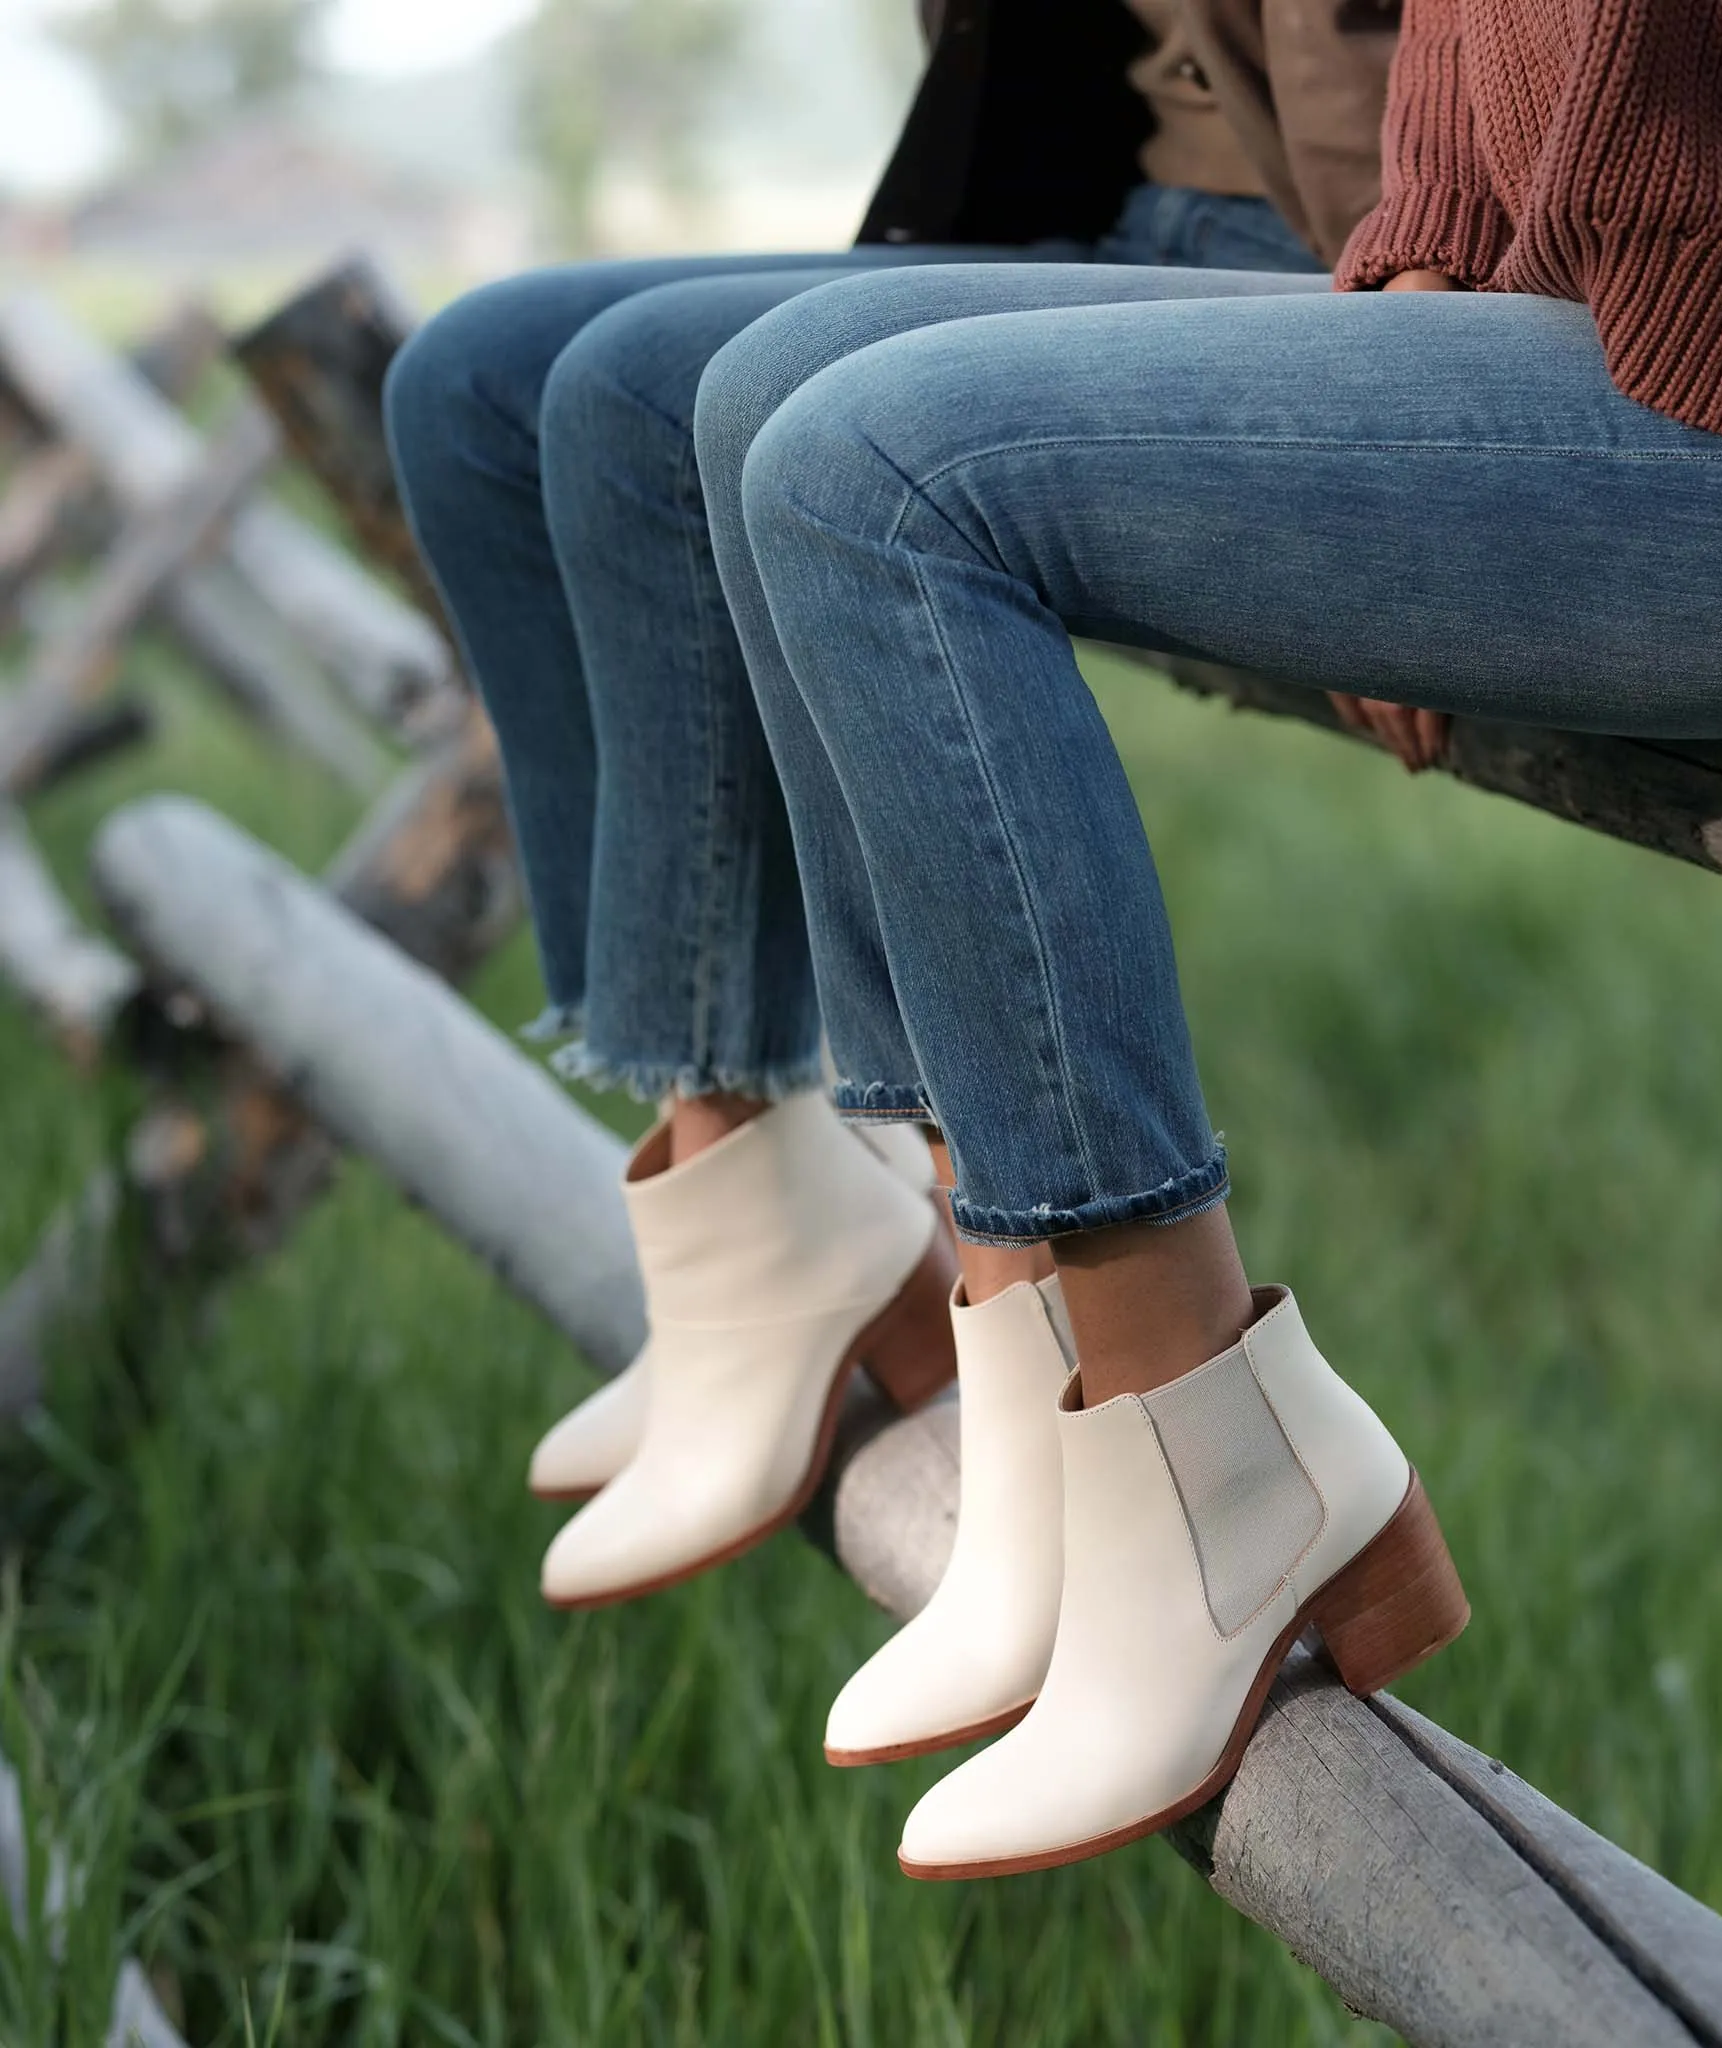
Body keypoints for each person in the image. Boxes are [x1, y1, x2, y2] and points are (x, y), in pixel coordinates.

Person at [685, 0, 1722, 1879]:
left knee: (877, 478)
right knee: (778, 392)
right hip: (1568, 364)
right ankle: (1028, 1337)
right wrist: (1394, 330)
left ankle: (1201, 1440)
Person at [384, 5, 1400, 1752]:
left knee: (787, 428)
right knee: (482, 377)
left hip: (1343, 229)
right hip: (1104, 190)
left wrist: (1405, 389)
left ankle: (1065, 1337)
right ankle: (756, 1196)